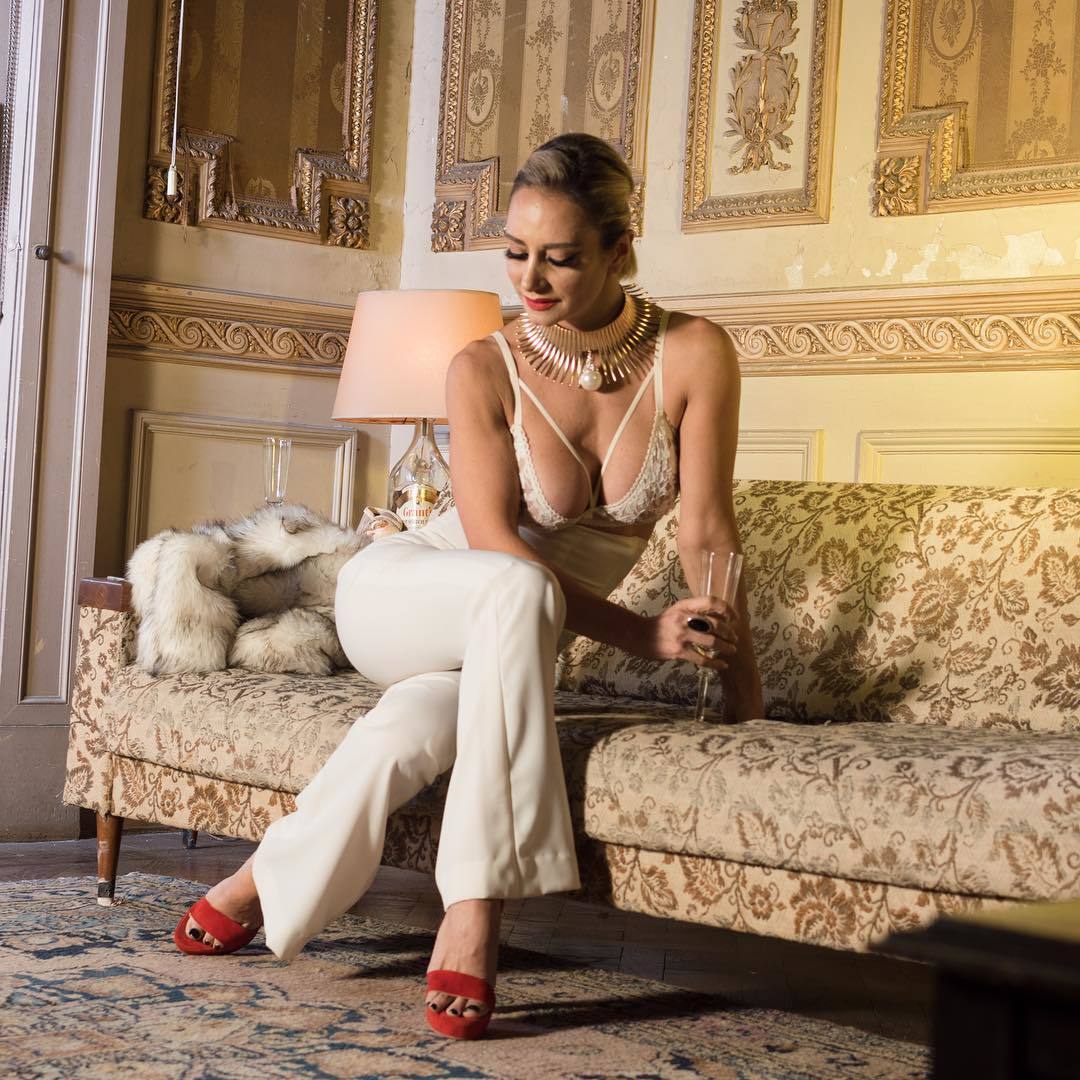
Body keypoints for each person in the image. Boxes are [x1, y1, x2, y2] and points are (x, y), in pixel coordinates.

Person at [173, 132, 764, 1040]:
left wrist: (743, 689)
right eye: (516, 253)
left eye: (562, 258)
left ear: (619, 250)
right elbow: (495, 546)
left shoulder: (693, 353)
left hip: (507, 633)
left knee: (415, 726)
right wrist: (642, 634)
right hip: (405, 594)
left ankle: (260, 881)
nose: (532, 280)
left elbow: (708, 530)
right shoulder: (483, 367)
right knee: (516, 591)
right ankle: (478, 904)